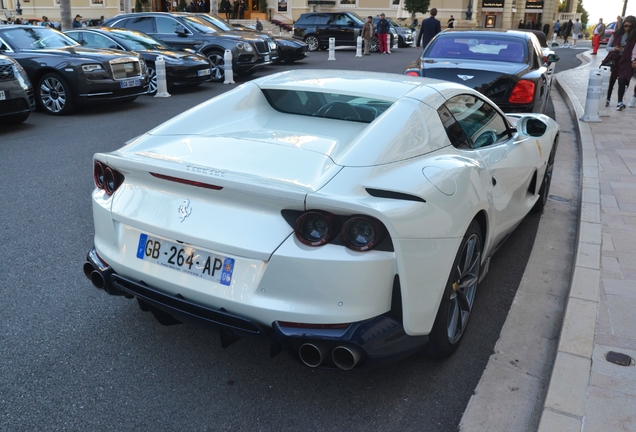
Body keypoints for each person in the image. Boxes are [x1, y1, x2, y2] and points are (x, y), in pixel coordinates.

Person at [605, 16, 636, 110]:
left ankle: (620, 102)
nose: (627, 28)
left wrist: (633, 60)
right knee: (611, 80)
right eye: (625, 26)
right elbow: (608, 47)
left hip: (626, 61)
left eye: (630, 26)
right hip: (615, 59)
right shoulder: (616, 34)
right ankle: (607, 99)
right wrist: (615, 48)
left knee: (622, 81)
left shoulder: (634, 36)